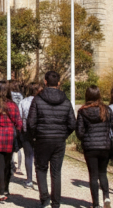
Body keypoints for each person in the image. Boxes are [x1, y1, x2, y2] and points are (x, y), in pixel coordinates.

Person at [28, 72, 78, 208]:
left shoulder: (37, 100)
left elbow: (31, 123)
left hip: (42, 139)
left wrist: (35, 135)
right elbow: (73, 124)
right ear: (59, 83)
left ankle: (44, 199)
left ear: (45, 82)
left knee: (41, 168)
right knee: (56, 172)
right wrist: (64, 134)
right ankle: (56, 203)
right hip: (59, 141)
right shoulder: (66, 101)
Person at [78, 85, 113, 208]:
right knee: (103, 173)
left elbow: (79, 131)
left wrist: (86, 138)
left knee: (93, 176)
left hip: (90, 147)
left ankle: (96, 204)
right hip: (105, 146)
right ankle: (106, 197)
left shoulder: (82, 111)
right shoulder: (106, 109)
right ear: (99, 95)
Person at [18, 82, 42, 191]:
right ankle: (40, 179)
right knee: (39, 157)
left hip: (26, 131)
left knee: (28, 156)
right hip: (40, 132)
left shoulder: (23, 102)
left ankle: (29, 179)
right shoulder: (42, 102)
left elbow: (20, 116)